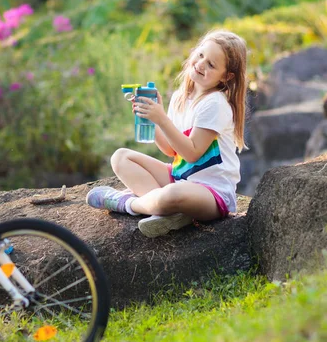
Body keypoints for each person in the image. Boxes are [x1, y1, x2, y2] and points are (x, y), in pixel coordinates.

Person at [86, 29, 248, 237]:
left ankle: (130, 203)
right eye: (200, 55)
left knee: (172, 194)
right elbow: (172, 151)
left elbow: (192, 153)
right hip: (180, 178)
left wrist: (161, 118)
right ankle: (163, 211)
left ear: (226, 76)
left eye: (211, 65)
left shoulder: (215, 104)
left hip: (212, 193)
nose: (200, 64)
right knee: (121, 157)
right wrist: (152, 121)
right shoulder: (182, 96)